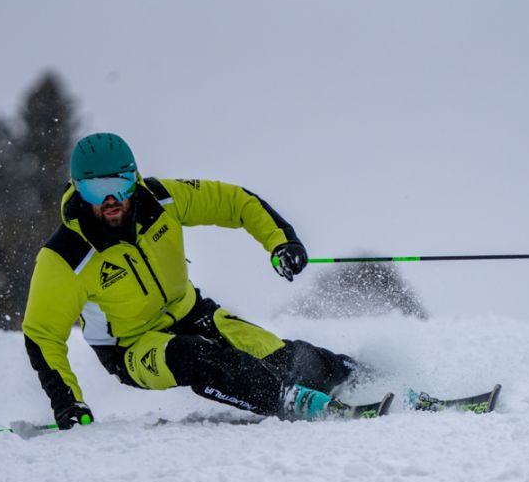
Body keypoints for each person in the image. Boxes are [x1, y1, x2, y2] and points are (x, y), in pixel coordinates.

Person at [23, 132, 374, 429]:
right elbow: (42, 335)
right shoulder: (64, 256)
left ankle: (365, 378)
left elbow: (233, 202)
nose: (111, 200)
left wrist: (281, 241)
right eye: (96, 190)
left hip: (193, 311)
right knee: (195, 356)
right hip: (132, 347)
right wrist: (68, 405)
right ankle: (287, 399)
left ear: (135, 180)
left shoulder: (159, 200)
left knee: (282, 355)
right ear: (77, 188)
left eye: (120, 184)